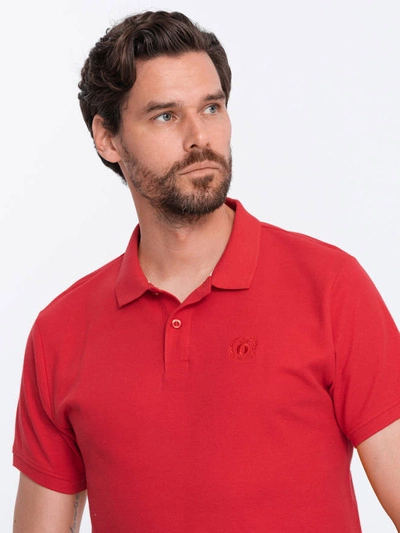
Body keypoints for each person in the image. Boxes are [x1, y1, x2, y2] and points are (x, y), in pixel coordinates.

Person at [12, 10, 400, 533]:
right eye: (165, 116)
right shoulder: (59, 333)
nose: (200, 136)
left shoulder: (330, 287)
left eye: (211, 108)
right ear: (107, 138)